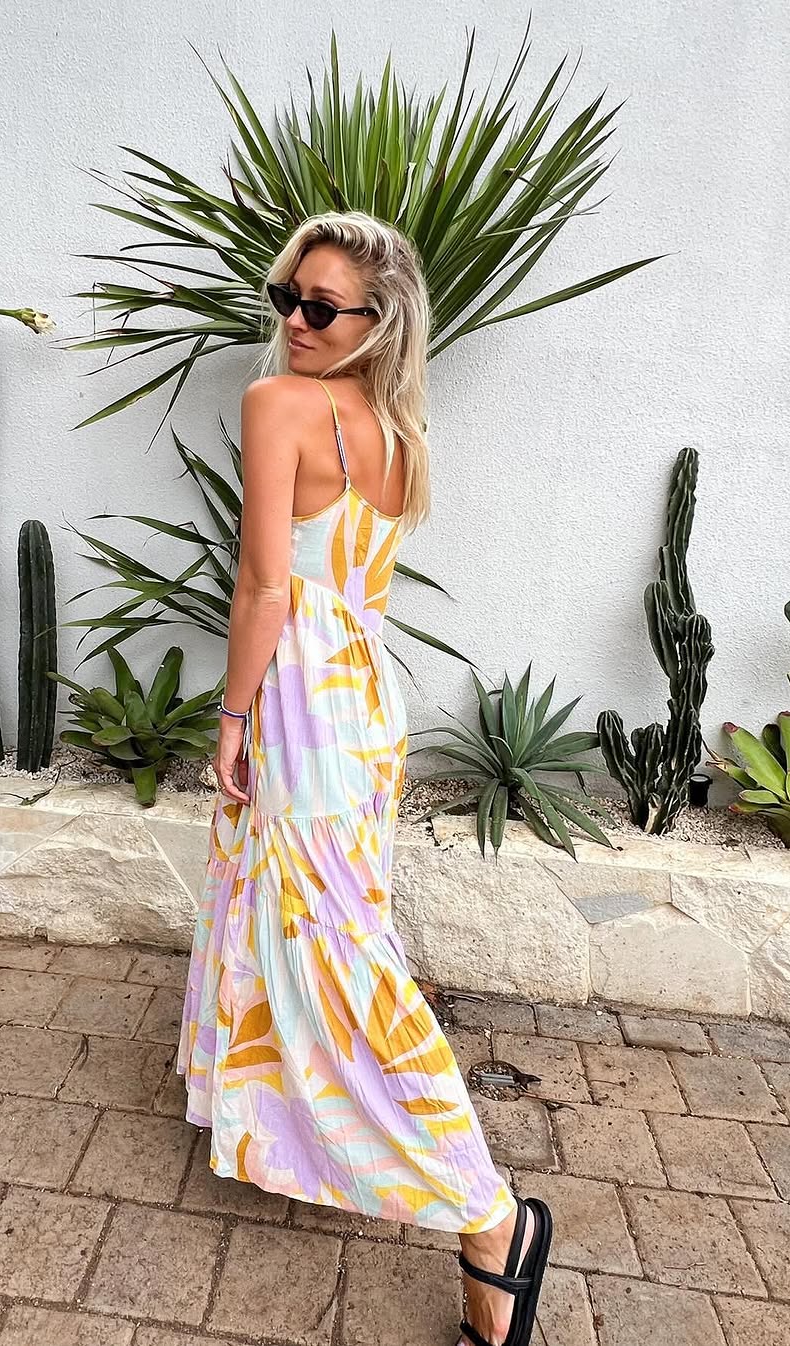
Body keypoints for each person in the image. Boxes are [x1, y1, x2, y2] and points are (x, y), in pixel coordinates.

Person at [177, 209, 552, 1346]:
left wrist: (231, 715)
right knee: (308, 914)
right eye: (287, 297)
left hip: (302, 706)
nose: (295, 320)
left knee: (338, 950)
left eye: (321, 307)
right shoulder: (397, 429)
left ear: (376, 321)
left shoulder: (278, 404)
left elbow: (263, 587)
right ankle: (261, 1110)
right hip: (362, 705)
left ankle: (490, 1214)